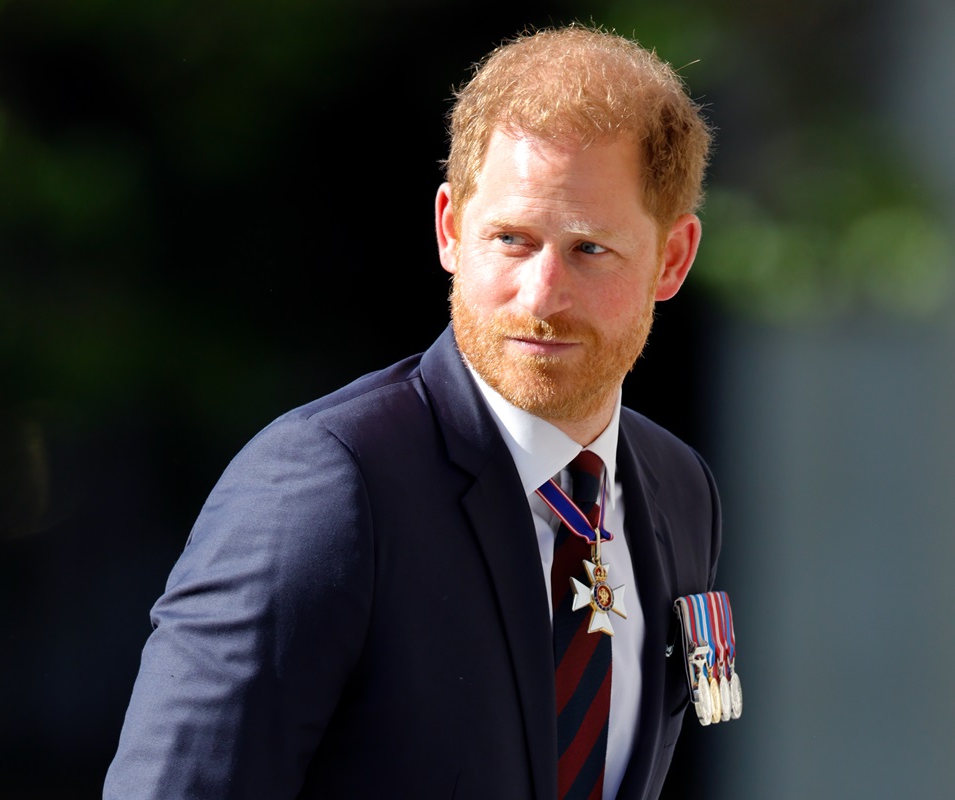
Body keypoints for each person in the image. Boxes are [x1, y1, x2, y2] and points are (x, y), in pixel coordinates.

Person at [105, 23, 720, 800]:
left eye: (589, 249)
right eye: (510, 239)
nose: (541, 297)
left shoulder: (677, 488)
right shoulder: (328, 486)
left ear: (672, 258)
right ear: (450, 230)